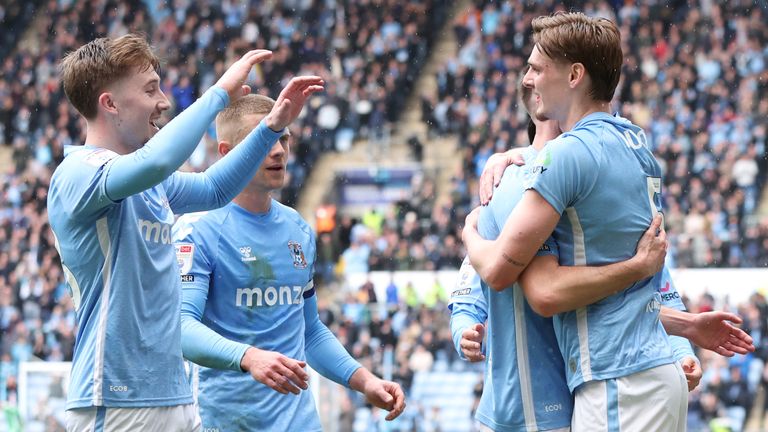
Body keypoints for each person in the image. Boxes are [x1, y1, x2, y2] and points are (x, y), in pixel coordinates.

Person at [462, 13, 752, 429]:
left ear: (574, 75)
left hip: (618, 381)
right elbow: (615, 293)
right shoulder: (635, 143)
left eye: (538, 68)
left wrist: (471, 229)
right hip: (653, 373)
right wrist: (685, 325)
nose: (528, 79)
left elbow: (518, 281)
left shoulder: (566, 156)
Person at [48, 33, 323, 431]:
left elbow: (215, 189)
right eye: (150, 90)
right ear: (109, 104)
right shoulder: (78, 173)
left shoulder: (151, 184)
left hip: (174, 397)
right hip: (116, 397)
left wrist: (270, 127)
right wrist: (218, 96)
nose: (163, 101)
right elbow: (157, 161)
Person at [172, 94, 405, 431]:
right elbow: (181, 328)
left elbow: (309, 331)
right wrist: (248, 357)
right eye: (264, 139)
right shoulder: (198, 229)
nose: (279, 150)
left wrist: (364, 381)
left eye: (283, 138)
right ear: (226, 152)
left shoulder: (298, 228)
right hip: (226, 422)